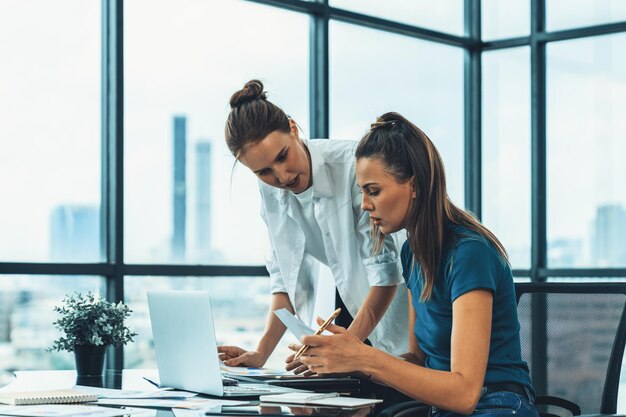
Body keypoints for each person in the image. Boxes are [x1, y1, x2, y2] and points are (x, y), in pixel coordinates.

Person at [297, 112, 539, 417]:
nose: (364, 204)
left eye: (374, 190)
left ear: (413, 185)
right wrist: (343, 361)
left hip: (497, 405)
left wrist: (365, 358)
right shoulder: (412, 252)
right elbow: (416, 358)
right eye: (362, 192)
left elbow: (465, 393)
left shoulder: (469, 254)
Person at [218, 80, 408, 373]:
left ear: (293, 128)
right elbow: (284, 280)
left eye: (282, 156)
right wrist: (260, 354)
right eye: (263, 171)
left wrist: (349, 350)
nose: (281, 176)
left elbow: (386, 274)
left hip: (399, 307)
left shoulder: (352, 166)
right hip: (349, 311)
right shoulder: (269, 191)